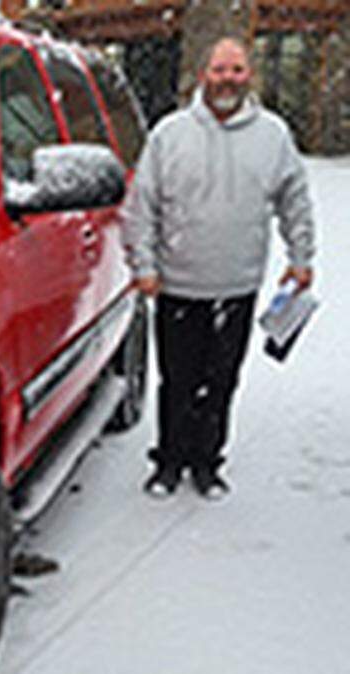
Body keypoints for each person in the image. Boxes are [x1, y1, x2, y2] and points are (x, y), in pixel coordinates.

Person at [120, 34, 316, 500]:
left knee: (221, 381)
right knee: (178, 380)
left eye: (237, 70)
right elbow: (141, 207)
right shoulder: (170, 134)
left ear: (249, 76)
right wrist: (143, 265)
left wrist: (301, 258)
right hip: (178, 284)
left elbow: (295, 201)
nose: (228, 79)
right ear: (203, 75)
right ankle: (169, 461)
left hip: (238, 284)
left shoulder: (273, 135)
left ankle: (207, 463)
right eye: (219, 69)